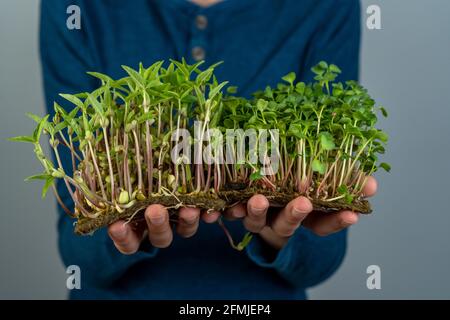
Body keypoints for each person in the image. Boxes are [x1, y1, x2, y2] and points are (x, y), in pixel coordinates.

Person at [40, 0, 377, 299]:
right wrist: (128, 228)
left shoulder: (328, 6)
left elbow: (320, 262)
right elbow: (79, 252)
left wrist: (283, 232)